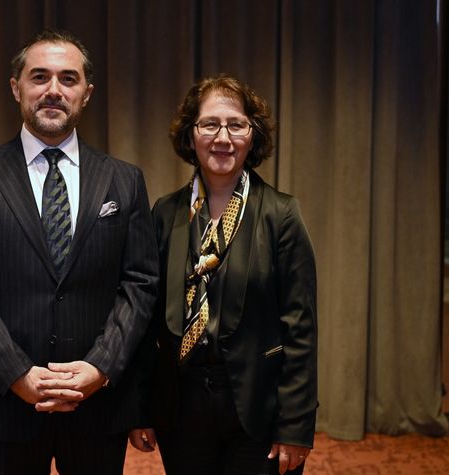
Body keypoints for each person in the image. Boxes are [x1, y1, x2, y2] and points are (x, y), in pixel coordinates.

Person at [0, 29, 158, 475]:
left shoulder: (124, 180)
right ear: (16, 87)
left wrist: (100, 367)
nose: (54, 90)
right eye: (39, 77)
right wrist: (17, 374)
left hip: (97, 403)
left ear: (87, 93)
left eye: (68, 78)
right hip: (3, 402)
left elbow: (139, 284)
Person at [130, 75, 318, 475]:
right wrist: (141, 407)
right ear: (190, 134)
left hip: (258, 407)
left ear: (253, 135)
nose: (223, 138)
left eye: (236, 125)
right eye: (210, 124)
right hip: (181, 408)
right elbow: (146, 322)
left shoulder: (281, 215)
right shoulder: (165, 213)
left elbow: (300, 329)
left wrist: (296, 424)